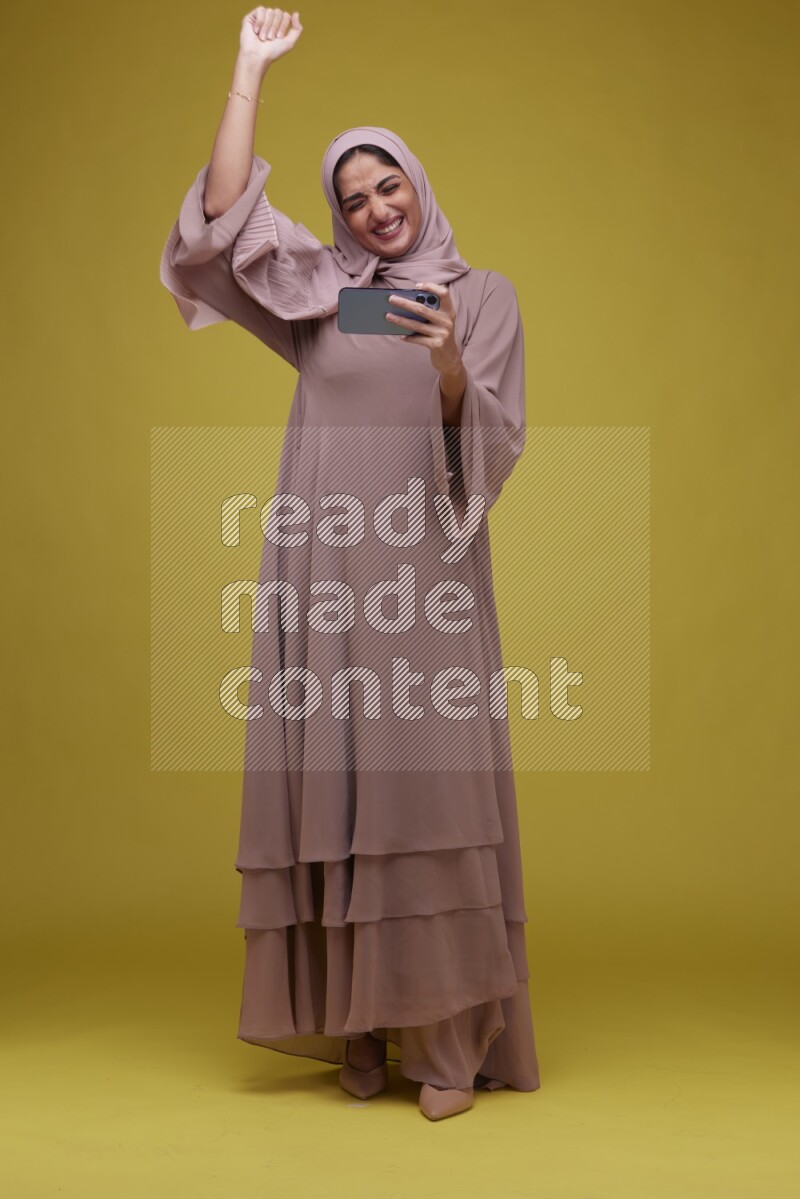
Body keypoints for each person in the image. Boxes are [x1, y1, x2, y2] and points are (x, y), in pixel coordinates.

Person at [159, 6, 541, 1122]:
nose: (376, 209)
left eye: (390, 187)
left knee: (422, 791)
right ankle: (358, 1023)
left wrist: (450, 365)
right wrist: (248, 67)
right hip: (318, 580)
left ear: (419, 186)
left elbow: (494, 446)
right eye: (354, 196)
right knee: (334, 784)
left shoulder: (481, 298)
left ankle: (445, 1036)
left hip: (422, 578)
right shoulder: (314, 291)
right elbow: (218, 223)